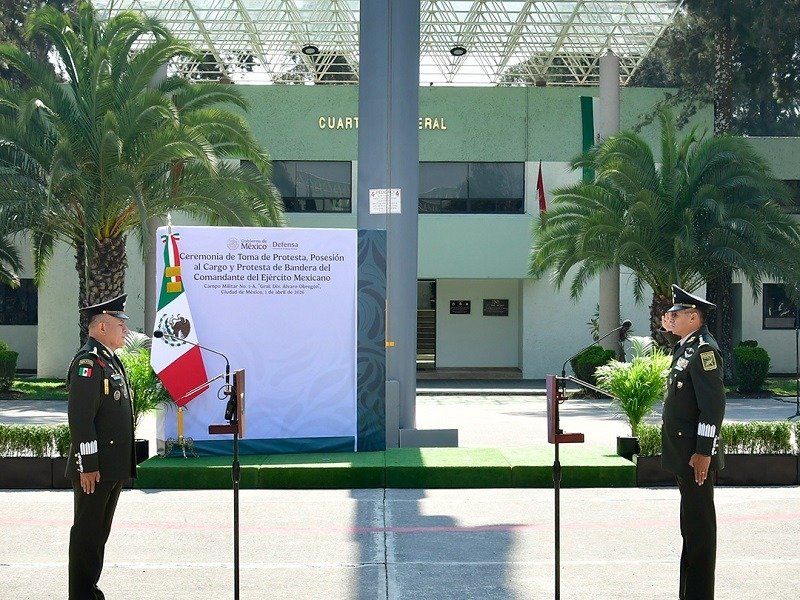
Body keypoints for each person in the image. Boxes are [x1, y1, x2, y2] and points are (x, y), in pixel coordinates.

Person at [66, 294, 136, 600]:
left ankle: (90, 591)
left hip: (112, 466)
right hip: (96, 469)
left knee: (98, 534)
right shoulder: (88, 363)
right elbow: (82, 419)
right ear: (102, 327)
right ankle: (81, 595)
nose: (125, 330)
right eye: (120, 324)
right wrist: (89, 465)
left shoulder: (109, 359)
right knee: (87, 534)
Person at [661, 284, 726, 600]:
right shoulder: (687, 347)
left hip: (694, 458)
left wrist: (703, 452)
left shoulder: (704, 351)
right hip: (683, 454)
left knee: (699, 533)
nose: (670, 318)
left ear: (693, 317)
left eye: (676, 314)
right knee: (690, 529)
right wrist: (670, 333)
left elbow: (712, 406)